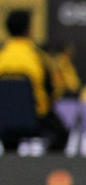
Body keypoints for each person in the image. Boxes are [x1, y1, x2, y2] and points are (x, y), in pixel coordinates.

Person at [0, 9, 69, 153]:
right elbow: (53, 91)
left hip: (3, 120)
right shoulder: (39, 57)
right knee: (62, 133)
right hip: (36, 120)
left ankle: (8, 162)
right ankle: (47, 165)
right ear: (28, 29)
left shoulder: (2, 55)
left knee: (9, 134)